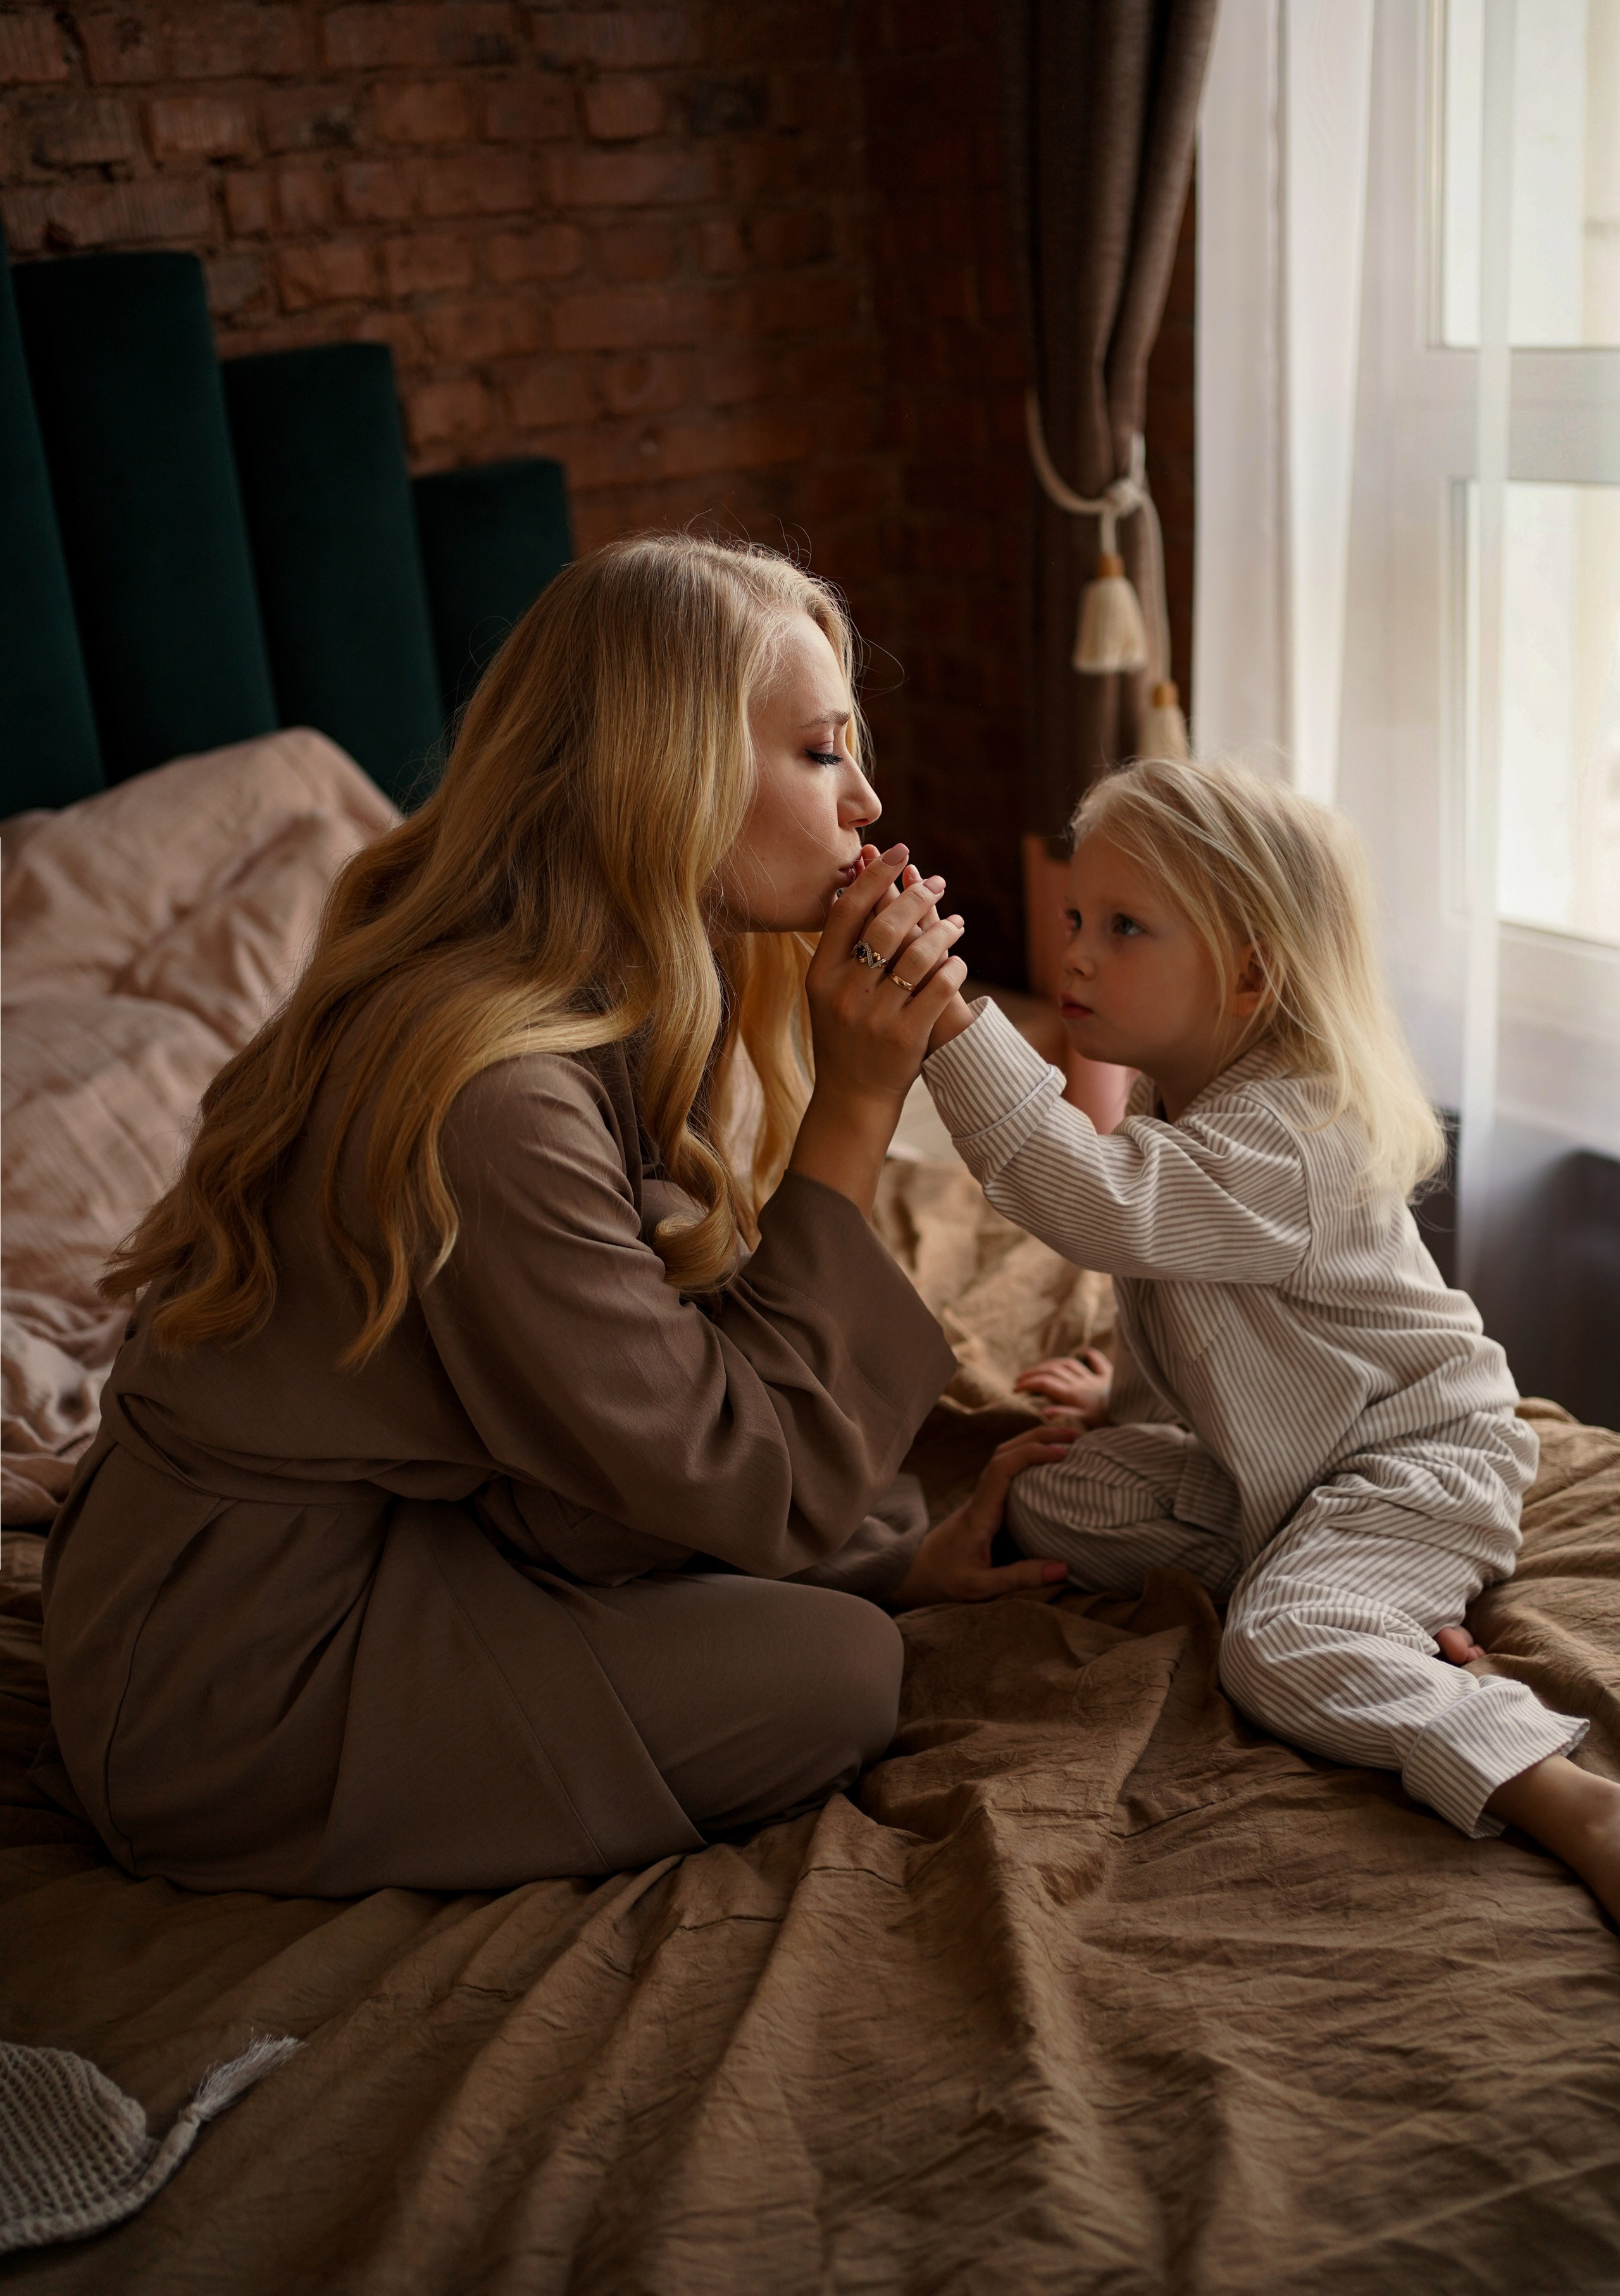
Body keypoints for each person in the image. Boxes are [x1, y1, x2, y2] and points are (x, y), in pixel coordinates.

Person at [35, 535, 1071, 1898]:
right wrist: (856, 1105)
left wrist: (876, 1549)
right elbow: (725, 1470)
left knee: (847, 1550)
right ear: (672, 775)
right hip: (233, 1683)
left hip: (390, 1546)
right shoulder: (495, 1103)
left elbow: (612, 1423)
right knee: (840, 1673)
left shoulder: (591, 1001)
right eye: (819, 753)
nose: (867, 803)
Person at [919, 757, 1620, 1923]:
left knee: (1276, 1646)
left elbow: (1098, 1202)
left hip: (1414, 1457)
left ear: (1250, 973)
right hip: (1282, 1464)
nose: (1077, 951)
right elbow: (1170, 1272)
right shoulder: (1173, 1094)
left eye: (1126, 927)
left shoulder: (1294, 1136)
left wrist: (950, 1022)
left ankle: (1567, 1793)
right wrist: (1121, 1395)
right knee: (1048, 1498)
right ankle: (1352, 1592)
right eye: (1080, 917)